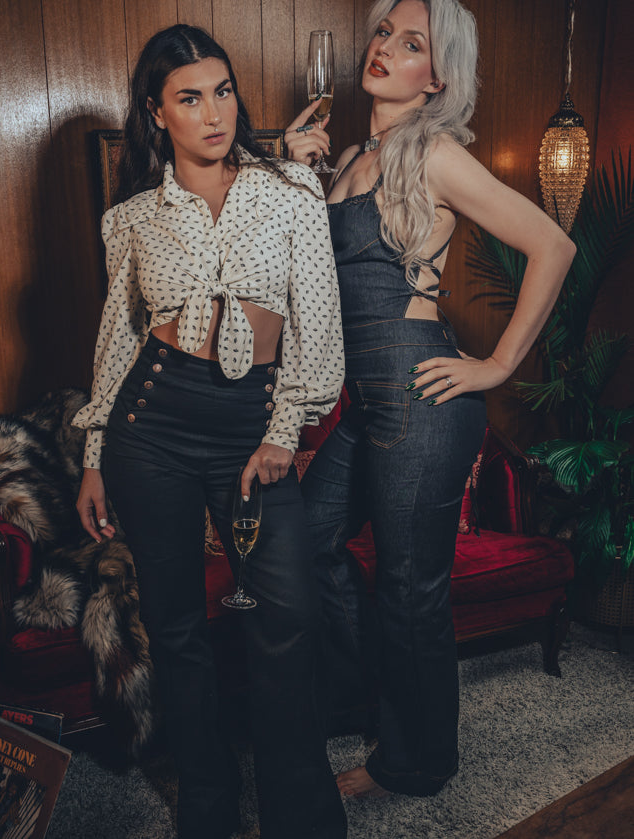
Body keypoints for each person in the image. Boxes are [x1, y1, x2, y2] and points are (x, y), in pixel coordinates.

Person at [285, 0, 575, 800]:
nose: (385, 49)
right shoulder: (350, 154)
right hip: (368, 400)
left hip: (424, 395)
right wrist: (294, 170)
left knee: (411, 591)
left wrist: (496, 365)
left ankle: (413, 763)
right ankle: (363, 700)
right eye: (384, 32)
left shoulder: (435, 153)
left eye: (411, 43)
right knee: (306, 541)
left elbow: (555, 243)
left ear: (437, 74)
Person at [72, 24, 347, 839]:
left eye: (222, 91)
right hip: (149, 430)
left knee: (286, 618)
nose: (213, 111)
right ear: (158, 114)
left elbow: (317, 329)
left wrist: (283, 433)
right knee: (178, 631)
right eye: (189, 98)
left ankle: (301, 815)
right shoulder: (133, 220)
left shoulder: (290, 193)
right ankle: (208, 804)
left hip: (250, 427)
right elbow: (116, 342)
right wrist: (93, 453)